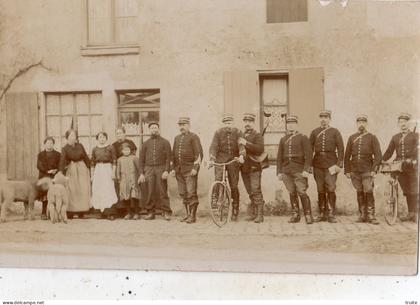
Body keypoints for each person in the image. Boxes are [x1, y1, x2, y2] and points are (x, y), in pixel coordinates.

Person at [344, 114, 382, 225]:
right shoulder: (352, 138)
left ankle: (371, 215)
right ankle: (362, 214)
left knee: (368, 190)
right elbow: (347, 156)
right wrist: (347, 170)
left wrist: (374, 169)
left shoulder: (372, 137)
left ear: (366, 124)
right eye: (359, 122)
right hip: (355, 169)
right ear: (357, 124)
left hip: (367, 169)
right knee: (359, 191)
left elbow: (378, 155)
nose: (361, 124)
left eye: (363, 122)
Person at [277, 115, 314, 224]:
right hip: (286, 170)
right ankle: (295, 214)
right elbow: (279, 157)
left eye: (293, 123)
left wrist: (306, 170)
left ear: (297, 125)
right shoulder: (283, 139)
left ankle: (308, 214)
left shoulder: (303, 137)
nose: (291, 125)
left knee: (301, 191)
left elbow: (309, 155)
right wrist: (279, 171)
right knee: (291, 192)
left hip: (299, 169)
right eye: (288, 123)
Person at [382, 113, 418, 223]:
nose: (403, 124)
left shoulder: (415, 136)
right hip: (399, 166)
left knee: (414, 190)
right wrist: (382, 160)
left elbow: (418, 150)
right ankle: (410, 213)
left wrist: (413, 159)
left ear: (409, 123)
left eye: (405, 122)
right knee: (406, 190)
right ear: (398, 124)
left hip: (411, 166)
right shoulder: (395, 137)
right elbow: (389, 151)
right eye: (401, 122)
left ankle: (415, 213)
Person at [309, 110, 344, 223]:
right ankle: (322, 213)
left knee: (331, 187)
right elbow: (310, 150)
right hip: (318, 163)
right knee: (320, 188)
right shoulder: (314, 132)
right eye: (321, 117)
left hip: (331, 163)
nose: (323, 119)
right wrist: (309, 165)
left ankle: (331, 213)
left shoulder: (335, 132)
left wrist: (339, 164)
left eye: (326, 117)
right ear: (319, 119)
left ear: (329, 119)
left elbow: (341, 149)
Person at [209, 114, 245, 221]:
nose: (227, 125)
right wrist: (212, 158)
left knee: (234, 185)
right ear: (222, 124)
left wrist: (242, 155)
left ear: (233, 123)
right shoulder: (218, 133)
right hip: (220, 159)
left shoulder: (238, 132)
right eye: (225, 123)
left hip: (233, 160)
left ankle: (235, 209)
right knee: (218, 180)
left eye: (229, 123)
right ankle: (215, 202)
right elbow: (213, 146)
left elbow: (241, 145)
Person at [170, 117, 202, 224]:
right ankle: (187, 214)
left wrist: (195, 168)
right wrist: (173, 169)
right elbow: (173, 155)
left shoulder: (194, 137)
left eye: (184, 124)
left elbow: (199, 154)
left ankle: (193, 216)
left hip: (190, 170)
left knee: (191, 192)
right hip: (179, 170)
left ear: (189, 125)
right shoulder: (177, 138)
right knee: (183, 193)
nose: (182, 127)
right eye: (180, 125)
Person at [138, 122, 172, 220]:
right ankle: (150, 212)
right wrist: (141, 173)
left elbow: (169, 158)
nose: (154, 129)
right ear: (149, 130)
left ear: (158, 129)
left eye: (155, 128)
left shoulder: (165, 142)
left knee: (162, 190)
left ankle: (166, 212)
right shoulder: (145, 144)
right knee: (150, 191)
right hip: (148, 169)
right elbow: (141, 160)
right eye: (152, 128)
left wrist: (166, 170)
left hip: (161, 168)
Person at [58, 129, 91, 219]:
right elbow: (62, 160)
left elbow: (85, 157)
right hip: (71, 170)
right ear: (67, 138)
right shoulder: (65, 148)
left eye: (74, 136)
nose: (73, 138)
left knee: (82, 189)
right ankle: (71, 211)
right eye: (71, 136)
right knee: (72, 190)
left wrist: (89, 167)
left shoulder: (80, 146)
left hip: (82, 169)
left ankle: (82, 211)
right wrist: (60, 172)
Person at [239, 113, 265, 223]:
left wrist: (246, 143)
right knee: (250, 191)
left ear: (253, 123)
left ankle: (260, 215)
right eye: (245, 122)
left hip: (254, 167)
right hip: (244, 168)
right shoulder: (241, 136)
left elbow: (259, 149)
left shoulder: (257, 135)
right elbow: (239, 149)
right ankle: (254, 213)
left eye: (249, 122)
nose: (247, 124)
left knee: (256, 190)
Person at [90, 131, 118, 220]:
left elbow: (114, 160)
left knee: (108, 189)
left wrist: (113, 172)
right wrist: (92, 175)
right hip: (98, 170)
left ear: (106, 138)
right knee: (99, 189)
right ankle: (102, 213)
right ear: (97, 139)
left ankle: (110, 212)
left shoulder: (110, 147)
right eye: (100, 137)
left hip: (107, 169)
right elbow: (92, 163)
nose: (102, 139)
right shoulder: (95, 149)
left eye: (103, 137)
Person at [36, 136, 61, 220]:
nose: (49, 145)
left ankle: (52, 213)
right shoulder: (41, 154)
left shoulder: (58, 154)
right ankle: (43, 212)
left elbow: (60, 165)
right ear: (44, 144)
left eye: (51, 143)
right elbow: (39, 165)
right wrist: (47, 171)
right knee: (45, 195)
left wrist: (56, 170)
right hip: (44, 176)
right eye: (47, 143)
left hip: (54, 176)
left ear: (53, 144)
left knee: (54, 194)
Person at [117, 143, 141, 220]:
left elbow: (139, 168)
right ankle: (128, 213)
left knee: (134, 196)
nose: (126, 151)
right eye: (124, 150)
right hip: (124, 180)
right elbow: (118, 170)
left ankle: (137, 213)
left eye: (128, 150)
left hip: (133, 178)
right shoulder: (119, 160)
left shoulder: (134, 158)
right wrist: (118, 178)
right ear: (122, 151)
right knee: (126, 196)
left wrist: (140, 175)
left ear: (130, 150)